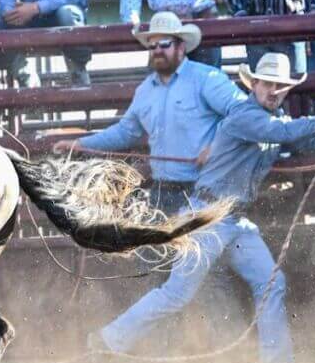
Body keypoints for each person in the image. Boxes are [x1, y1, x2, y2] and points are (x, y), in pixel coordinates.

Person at [94, 53, 315, 363]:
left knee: (271, 283)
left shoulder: (269, 122)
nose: (273, 90)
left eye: (280, 86)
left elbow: (296, 136)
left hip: (231, 219)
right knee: (177, 294)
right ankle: (106, 340)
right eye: (268, 83)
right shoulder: (248, 117)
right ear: (254, 84)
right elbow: (285, 134)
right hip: (207, 217)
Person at [53, 12, 245, 214]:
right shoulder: (145, 90)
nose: (157, 51)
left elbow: (242, 111)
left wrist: (217, 146)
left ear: (181, 47)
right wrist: (81, 144)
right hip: (161, 192)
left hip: (204, 191)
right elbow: (124, 133)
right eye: (152, 46)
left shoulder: (206, 79)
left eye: (164, 44)